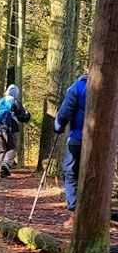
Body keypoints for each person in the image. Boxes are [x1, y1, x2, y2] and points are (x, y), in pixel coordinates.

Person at [54, 72, 87, 224]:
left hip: (78, 139)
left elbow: (64, 112)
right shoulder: (111, 84)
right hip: (107, 144)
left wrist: (58, 126)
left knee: (71, 174)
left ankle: (75, 215)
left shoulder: (78, 86)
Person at [0, 84, 31, 178]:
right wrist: (28, 115)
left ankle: (0, 171)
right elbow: (22, 117)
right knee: (12, 148)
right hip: (9, 128)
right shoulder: (14, 101)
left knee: (1, 149)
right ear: (16, 93)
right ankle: (6, 164)